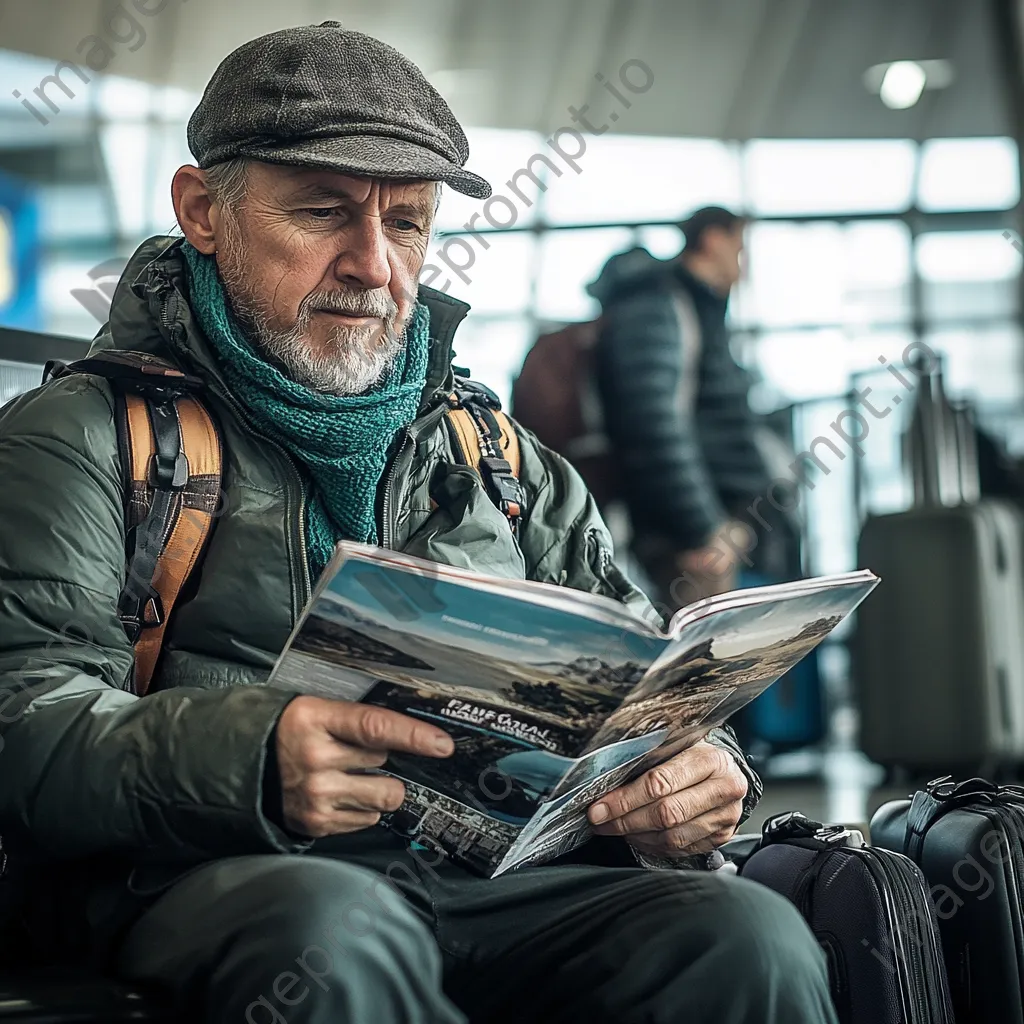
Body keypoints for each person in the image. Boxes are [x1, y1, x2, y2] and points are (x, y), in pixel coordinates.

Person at [0, 24, 836, 1024]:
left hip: (485, 877)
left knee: (744, 936)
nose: (373, 265)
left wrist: (695, 773)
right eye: (322, 212)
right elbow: (23, 714)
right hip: (213, 872)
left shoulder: (498, 457)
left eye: (406, 222)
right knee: (334, 930)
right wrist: (251, 757)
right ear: (201, 211)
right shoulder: (85, 438)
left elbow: (643, 687)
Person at [589, 206, 772, 612]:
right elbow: (653, 426)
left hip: (714, 524)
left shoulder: (694, 307)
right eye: (740, 248)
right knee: (700, 667)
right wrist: (701, 529)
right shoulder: (656, 307)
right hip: (690, 537)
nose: (744, 266)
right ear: (712, 240)